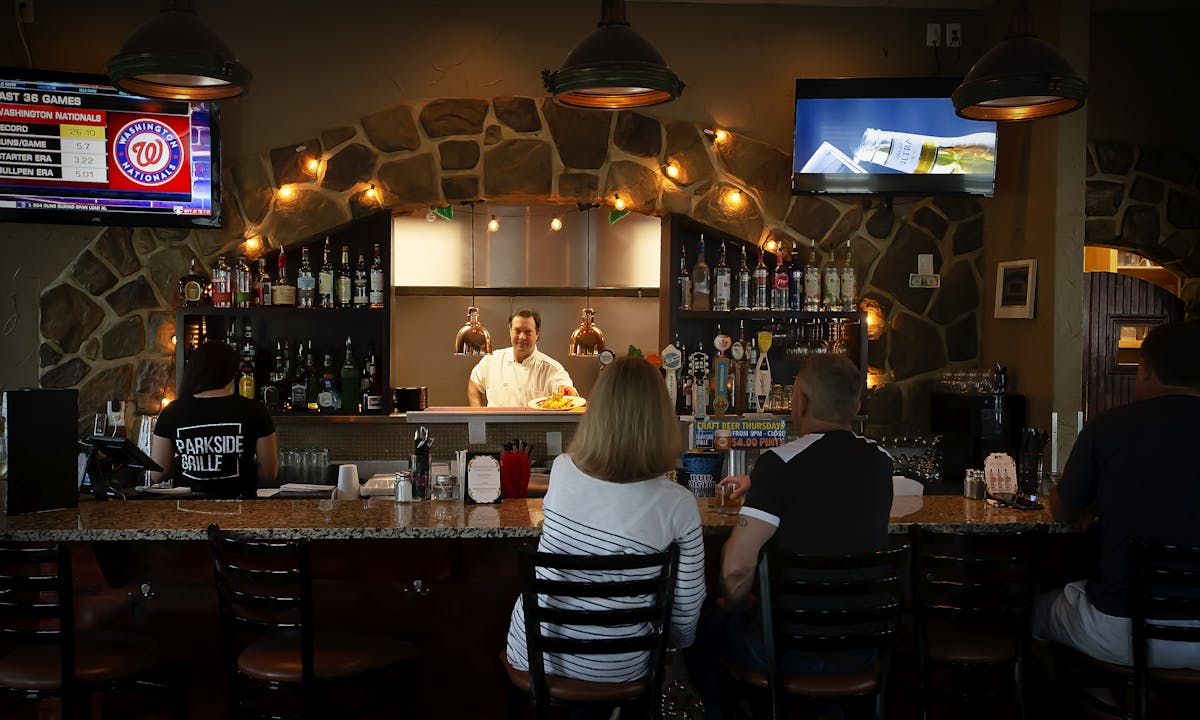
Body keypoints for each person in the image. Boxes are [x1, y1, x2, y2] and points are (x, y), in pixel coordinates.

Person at [686, 354, 893, 718]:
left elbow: (735, 569)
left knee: (697, 626)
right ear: (857, 404)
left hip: (785, 650)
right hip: (862, 647)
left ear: (800, 403)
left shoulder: (779, 464)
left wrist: (736, 606)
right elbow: (829, 491)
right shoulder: (880, 463)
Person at [503, 356, 706, 690]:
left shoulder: (562, 469)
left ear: (597, 413)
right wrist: (674, 646)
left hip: (534, 654)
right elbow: (686, 608)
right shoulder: (678, 503)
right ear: (660, 419)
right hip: (620, 667)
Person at [1036, 320, 1200, 668]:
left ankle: (1103, 705)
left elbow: (1063, 511)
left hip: (1121, 626)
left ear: (1145, 370)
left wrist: (1071, 498)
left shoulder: (1109, 427)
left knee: (1031, 612)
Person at [151, 340, 278, 499]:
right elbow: (269, 474)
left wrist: (186, 459)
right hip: (241, 511)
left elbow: (158, 474)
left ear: (194, 370)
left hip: (186, 512)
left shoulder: (171, 412)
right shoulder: (256, 410)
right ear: (232, 372)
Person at [467, 307, 575, 407]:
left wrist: (567, 391)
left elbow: (566, 389)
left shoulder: (552, 369)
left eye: (528, 332)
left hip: (535, 427)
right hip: (494, 427)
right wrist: (477, 413)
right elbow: (474, 383)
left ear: (537, 334)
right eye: (517, 331)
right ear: (510, 331)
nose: (522, 337)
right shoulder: (492, 360)